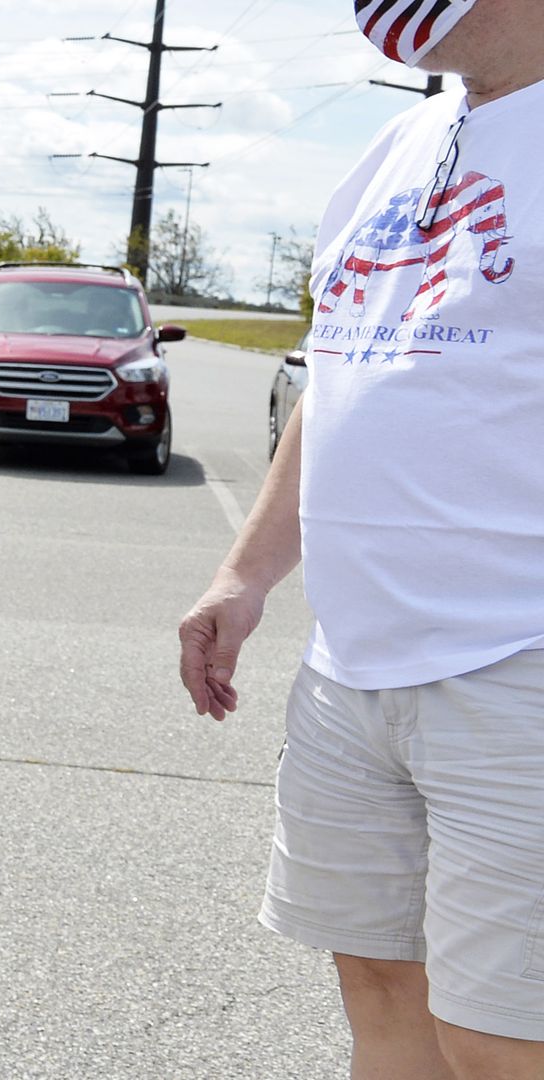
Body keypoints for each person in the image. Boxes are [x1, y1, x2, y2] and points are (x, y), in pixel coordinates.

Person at [179, 1, 544, 1074]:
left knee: (501, 1038)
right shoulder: (402, 140)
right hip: (351, 669)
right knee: (380, 989)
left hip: (516, 664)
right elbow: (341, 370)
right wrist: (244, 575)